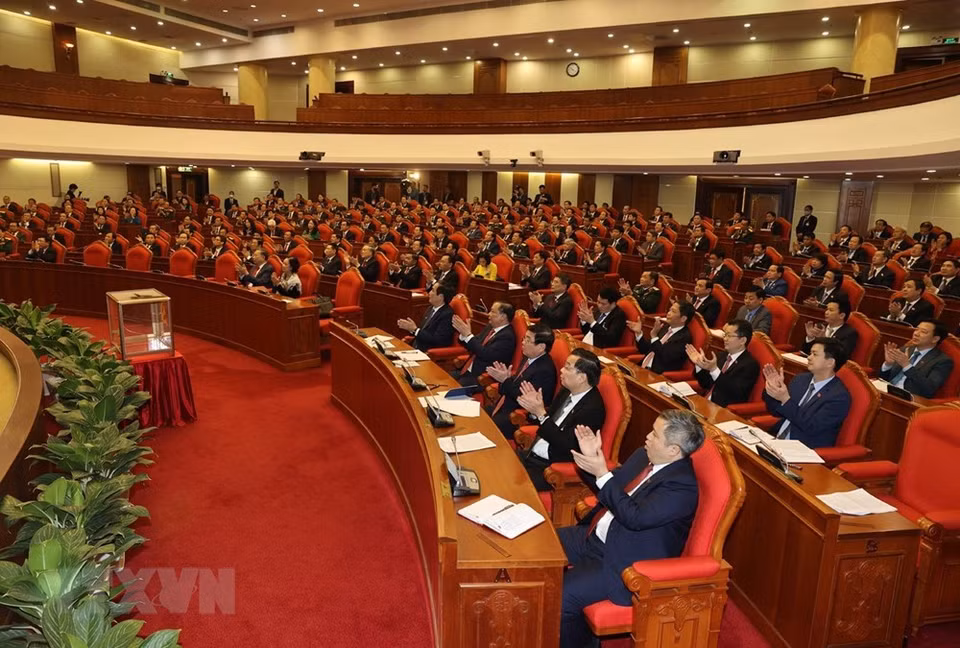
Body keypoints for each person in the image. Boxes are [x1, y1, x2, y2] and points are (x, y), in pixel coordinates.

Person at [558, 410, 703, 648]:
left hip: (622, 562)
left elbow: (635, 517)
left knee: (561, 595)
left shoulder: (682, 487)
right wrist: (592, 459)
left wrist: (602, 473)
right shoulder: (642, 456)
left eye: (654, 434)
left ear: (673, 450)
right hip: (594, 537)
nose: (647, 437)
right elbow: (609, 488)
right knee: (540, 546)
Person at [515, 348, 606, 491]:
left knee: (509, 484)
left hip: (550, 468)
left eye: (567, 368)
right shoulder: (567, 391)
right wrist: (534, 411)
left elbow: (566, 446)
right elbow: (549, 419)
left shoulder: (592, 409)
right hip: (532, 454)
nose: (562, 370)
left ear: (582, 378)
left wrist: (541, 414)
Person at [761, 337, 851, 448]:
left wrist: (785, 399)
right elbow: (777, 411)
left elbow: (812, 426)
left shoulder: (838, 397)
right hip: (776, 438)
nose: (809, 357)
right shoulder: (801, 379)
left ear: (830, 362)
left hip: (803, 448)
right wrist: (772, 390)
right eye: (810, 353)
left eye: (815, 354)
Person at [484, 323, 558, 439]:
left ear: (541, 347)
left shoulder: (544, 370)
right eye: (524, 338)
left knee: (484, 427)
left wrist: (505, 380)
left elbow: (523, 399)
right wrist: (505, 379)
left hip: (519, 416)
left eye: (528, 340)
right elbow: (511, 387)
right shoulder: (528, 358)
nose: (523, 342)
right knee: (478, 414)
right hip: (505, 406)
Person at [688, 319, 760, 406]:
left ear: (742, 340)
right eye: (725, 335)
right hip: (705, 402)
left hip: (722, 409)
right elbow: (706, 384)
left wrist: (714, 370)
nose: (725, 339)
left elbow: (735, 393)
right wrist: (699, 365)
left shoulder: (749, 365)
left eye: (729, 335)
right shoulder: (721, 355)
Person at [879, 320, 953, 398]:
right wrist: (888, 364)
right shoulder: (906, 349)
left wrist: (907, 366)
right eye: (917, 329)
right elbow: (883, 378)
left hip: (908, 398)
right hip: (886, 391)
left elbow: (929, 388)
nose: (916, 334)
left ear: (935, 339)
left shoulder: (942, 361)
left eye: (923, 332)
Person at [451, 301, 516, 386]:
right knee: (440, 379)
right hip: (466, 369)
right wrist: (464, 335)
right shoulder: (490, 327)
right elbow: (475, 344)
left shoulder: (506, 337)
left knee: (448, 388)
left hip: (479, 377)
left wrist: (468, 335)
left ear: (503, 317)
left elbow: (486, 354)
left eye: (492, 312)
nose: (489, 314)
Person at [629, 301, 695, 373]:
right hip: (642, 367)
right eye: (669, 310)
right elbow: (645, 349)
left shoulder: (684, 338)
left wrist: (654, 336)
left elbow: (664, 357)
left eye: (673, 311)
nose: (668, 313)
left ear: (683, 318)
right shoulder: (665, 328)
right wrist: (638, 333)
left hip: (657, 374)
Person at [397, 283, 456, 352]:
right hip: (415, 347)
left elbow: (438, 340)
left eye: (433, 290)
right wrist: (411, 329)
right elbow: (423, 331)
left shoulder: (447, 314)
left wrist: (415, 330)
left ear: (440, 296)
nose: (429, 293)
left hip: (427, 352)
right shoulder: (430, 308)